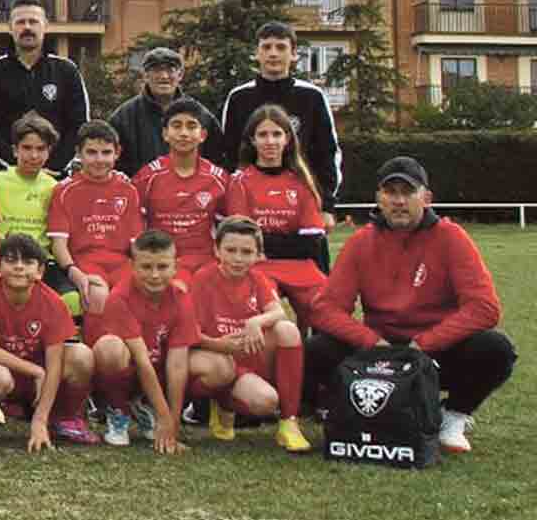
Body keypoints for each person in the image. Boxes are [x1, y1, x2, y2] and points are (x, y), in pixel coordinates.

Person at [305, 157, 515, 454]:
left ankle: (452, 416)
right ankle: (339, 409)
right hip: (380, 348)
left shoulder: (452, 238)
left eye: (408, 192)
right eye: (391, 193)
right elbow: (326, 309)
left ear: (426, 198)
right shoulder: (361, 242)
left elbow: (485, 308)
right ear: (379, 198)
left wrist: (425, 344)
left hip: (433, 352)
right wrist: (371, 341)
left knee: (496, 349)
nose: (399, 201)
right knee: (316, 349)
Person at [185, 217, 311, 453]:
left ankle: (289, 423)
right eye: (231, 250)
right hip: (221, 360)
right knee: (264, 402)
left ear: (257, 255)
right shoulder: (203, 278)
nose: (238, 258)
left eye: (246, 252)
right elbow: (188, 333)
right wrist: (220, 346)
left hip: (251, 354)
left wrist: (256, 321)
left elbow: (278, 312)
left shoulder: (257, 278)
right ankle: (222, 403)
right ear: (217, 250)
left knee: (287, 330)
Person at [0, 233, 98, 449]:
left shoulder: (54, 303)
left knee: (82, 356)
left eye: (27, 262)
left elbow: (54, 364)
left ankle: (64, 417)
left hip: (39, 381)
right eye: (11, 260)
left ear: (40, 272)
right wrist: (36, 371)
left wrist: (40, 419)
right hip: (3, 372)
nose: (19, 267)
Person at [221, 20, 342, 216]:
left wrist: (326, 205)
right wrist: (232, 200)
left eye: (281, 47)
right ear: (256, 53)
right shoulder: (239, 98)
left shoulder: (312, 97)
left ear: (294, 54)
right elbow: (229, 155)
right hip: (252, 204)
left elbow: (327, 153)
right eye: (266, 47)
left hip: (302, 202)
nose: (273, 53)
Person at [89, 229, 194, 452]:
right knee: (110, 349)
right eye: (146, 267)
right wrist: (165, 417)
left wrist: (172, 423)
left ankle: (145, 405)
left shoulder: (181, 298)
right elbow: (142, 361)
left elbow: (177, 363)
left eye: (163, 267)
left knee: (210, 365)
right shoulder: (120, 297)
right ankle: (118, 410)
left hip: (158, 372)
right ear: (133, 266)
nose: (155, 275)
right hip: (130, 370)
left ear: (176, 266)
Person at [225, 103, 329, 323]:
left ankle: (316, 354)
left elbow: (312, 241)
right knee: (269, 317)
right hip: (258, 267)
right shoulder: (240, 181)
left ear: (287, 138)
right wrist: (289, 241)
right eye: (262, 135)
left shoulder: (302, 182)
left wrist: (265, 243)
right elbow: (242, 240)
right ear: (252, 140)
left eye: (276, 134)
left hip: (300, 266)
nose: (270, 141)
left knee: (328, 309)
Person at [0, 0, 89, 174]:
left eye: (33, 21)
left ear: (45, 26)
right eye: (20, 22)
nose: (27, 27)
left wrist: (52, 167)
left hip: (55, 177)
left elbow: (79, 126)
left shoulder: (66, 71)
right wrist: (17, 167)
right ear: (10, 28)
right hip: (6, 176)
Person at [47, 121, 143, 318]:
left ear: (117, 153)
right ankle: (97, 344)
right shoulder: (64, 191)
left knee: (136, 296)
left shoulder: (128, 190)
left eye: (106, 152)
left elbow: (136, 242)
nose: (99, 160)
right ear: (79, 153)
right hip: (86, 262)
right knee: (97, 296)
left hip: (121, 263)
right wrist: (72, 271)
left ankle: (132, 347)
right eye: (91, 152)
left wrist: (144, 272)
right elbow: (58, 244)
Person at [132, 97, 229, 281]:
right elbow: (135, 227)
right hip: (162, 262)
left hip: (206, 262)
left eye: (191, 126)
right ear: (165, 134)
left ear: (203, 135)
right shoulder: (147, 177)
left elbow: (229, 228)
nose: (184, 133)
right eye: (176, 126)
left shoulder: (219, 179)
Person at [108, 47, 226, 176]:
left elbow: (217, 160)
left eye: (170, 70)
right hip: (141, 193)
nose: (164, 76)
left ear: (180, 75)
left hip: (192, 193)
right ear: (145, 75)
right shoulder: (123, 118)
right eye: (156, 70)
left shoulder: (201, 115)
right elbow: (111, 162)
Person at [0, 112, 65, 297]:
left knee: (71, 300)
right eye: (27, 148)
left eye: (41, 148)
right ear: (15, 150)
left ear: (49, 151)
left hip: (40, 265)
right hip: (2, 261)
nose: (34, 155)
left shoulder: (55, 188)